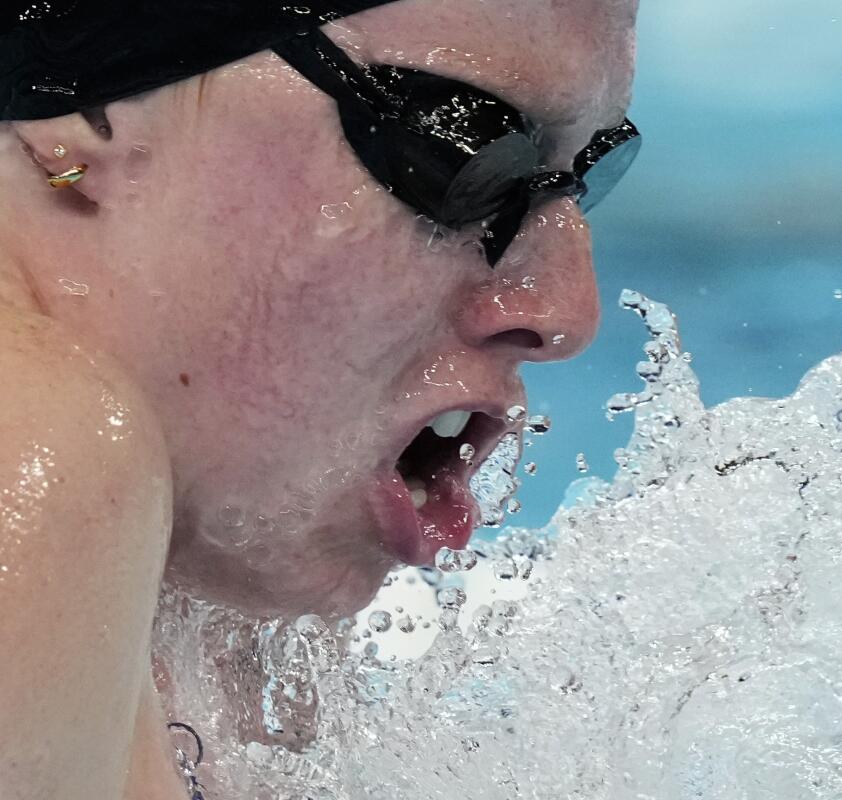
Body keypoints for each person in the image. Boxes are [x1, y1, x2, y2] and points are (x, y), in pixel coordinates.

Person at [0, 0, 640, 795]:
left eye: (595, 171)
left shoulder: (196, 596)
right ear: (84, 108)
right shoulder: (40, 440)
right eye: (460, 148)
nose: (564, 311)